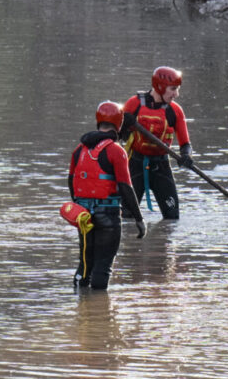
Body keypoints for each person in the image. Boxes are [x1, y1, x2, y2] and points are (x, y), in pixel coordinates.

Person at [68, 101, 146, 290]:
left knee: (84, 265)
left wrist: (79, 207)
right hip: (108, 217)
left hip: (83, 216)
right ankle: (98, 313)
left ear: (98, 121)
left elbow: (71, 182)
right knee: (102, 269)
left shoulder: (79, 150)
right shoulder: (116, 151)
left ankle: (79, 303)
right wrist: (139, 219)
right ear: (119, 124)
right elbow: (126, 187)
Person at [119, 66, 193, 220]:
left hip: (161, 166)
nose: (176, 94)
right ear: (160, 86)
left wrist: (186, 155)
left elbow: (185, 143)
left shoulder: (175, 111)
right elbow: (117, 137)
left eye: (177, 89)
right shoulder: (134, 104)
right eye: (173, 89)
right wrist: (125, 125)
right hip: (135, 164)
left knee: (172, 218)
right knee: (126, 219)